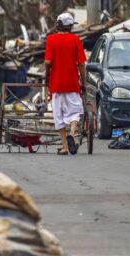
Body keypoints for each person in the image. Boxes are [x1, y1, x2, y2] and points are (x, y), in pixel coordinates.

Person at [45, 12, 87, 155]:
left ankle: (64, 147)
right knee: (75, 112)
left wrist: (46, 75)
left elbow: (47, 62)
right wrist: (84, 82)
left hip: (56, 84)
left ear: (58, 25)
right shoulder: (75, 40)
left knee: (59, 116)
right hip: (72, 83)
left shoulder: (51, 40)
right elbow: (81, 64)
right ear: (70, 26)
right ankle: (73, 133)